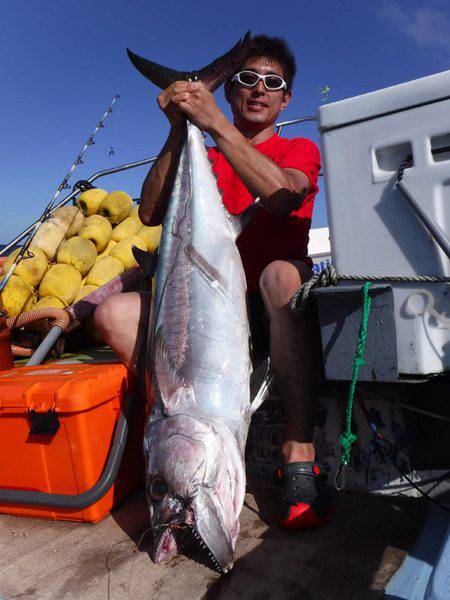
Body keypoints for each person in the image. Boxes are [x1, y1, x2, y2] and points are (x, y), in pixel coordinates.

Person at [95, 35, 334, 529]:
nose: (259, 89)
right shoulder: (202, 152)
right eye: (246, 78)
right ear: (229, 91)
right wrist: (179, 128)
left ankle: (298, 450)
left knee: (280, 276)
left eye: (273, 82)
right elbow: (150, 211)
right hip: (204, 317)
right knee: (112, 314)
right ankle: (183, 432)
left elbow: (283, 196)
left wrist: (215, 124)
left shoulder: (298, 147)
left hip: (271, 311)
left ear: (286, 98)